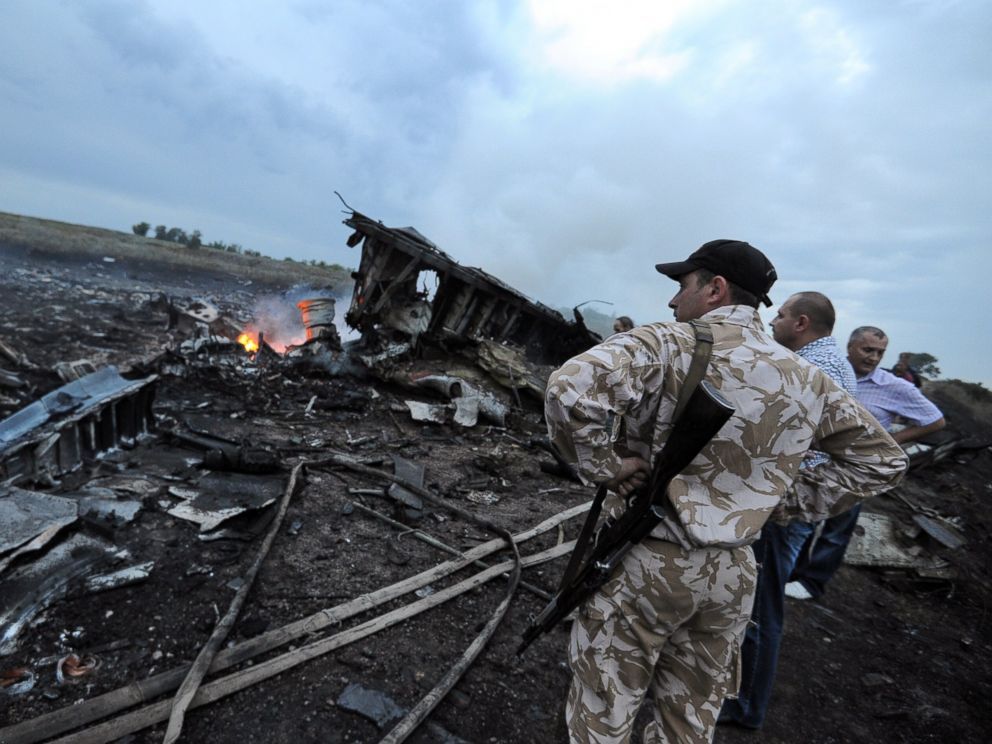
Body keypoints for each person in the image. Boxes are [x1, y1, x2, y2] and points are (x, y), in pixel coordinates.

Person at [544, 240, 907, 743]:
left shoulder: (669, 343)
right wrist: (777, 503)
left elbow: (569, 388)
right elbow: (882, 461)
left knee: (604, 710)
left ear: (714, 289)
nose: (673, 301)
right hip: (734, 574)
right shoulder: (808, 378)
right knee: (688, 722)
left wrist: (606, 466)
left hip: (652, 555)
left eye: (681, 286)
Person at [719, 291, 858, 730]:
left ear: (801, 323)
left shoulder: (816, 368)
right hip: (794, 501)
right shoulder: (828, 361)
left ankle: (745, 707)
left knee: (760, 608)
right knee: (757, 600)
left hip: (786, 505)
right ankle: (739, 695)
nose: (773, 321)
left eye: (779, 315)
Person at [785, 326, 945, 601]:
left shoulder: (893, 386)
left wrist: (892, 440)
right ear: (850, 347)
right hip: (816, 462)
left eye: (880, 353)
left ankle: (812, 583)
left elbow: (935, 420)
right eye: (867, 350)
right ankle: (791, 573)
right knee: (803, 519)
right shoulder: (833, 371)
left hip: (854, 470)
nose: (873, 358)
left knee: (837, 528)